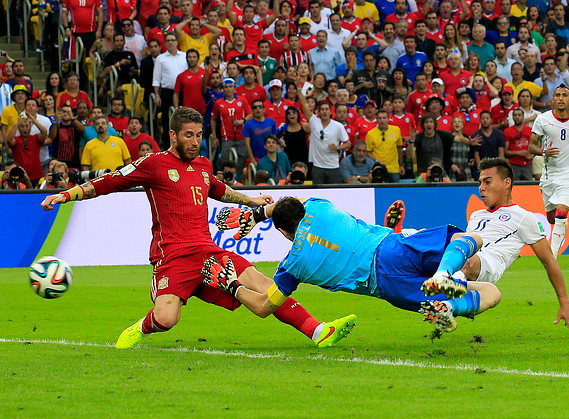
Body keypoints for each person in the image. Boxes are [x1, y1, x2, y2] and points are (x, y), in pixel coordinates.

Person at [42, 107, 356, 349]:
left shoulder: (204, 165)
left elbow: (219, 189)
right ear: (173, 135)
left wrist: (250, 200)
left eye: (198, 135)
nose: (195, 142)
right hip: (174, 258)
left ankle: (318, 331)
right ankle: (141, 327)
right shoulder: (153, 164)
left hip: (208, 252)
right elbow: (109, 182)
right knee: (166, 319)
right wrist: (66, 195)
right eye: (188, 135)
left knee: (265, 286)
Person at [214, 196, 497, 334]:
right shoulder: (317, 206)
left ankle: (448, 306)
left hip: (388, 287)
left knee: (485, 294)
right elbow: (292, 202)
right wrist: (257, 213)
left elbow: (265, 307)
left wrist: (232, 285)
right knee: (472, 240)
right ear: (302, 211)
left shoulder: (291, 267)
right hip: (393, 249)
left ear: (283, 233)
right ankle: (443, 273)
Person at [459, 158, 569, 331]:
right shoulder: (476, 215)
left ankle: (446, 290)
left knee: (468, 260)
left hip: (485, 268)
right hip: (464, 263)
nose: (481, 187)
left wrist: (565, 304)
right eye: (480, 182)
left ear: (506, 183)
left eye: (487, 182)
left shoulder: (524, 217)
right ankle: (444, 298)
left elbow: (549, 261)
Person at [528, 84, 569, 258]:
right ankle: (553, 240)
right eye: (557, 95)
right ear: (553, 99)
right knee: (552, 218)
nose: (560, 98)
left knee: (561, 212)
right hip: (549, 177)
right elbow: (531, 146)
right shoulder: (542, 120)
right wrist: (544, 152)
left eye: (564, 95)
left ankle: (553, 256)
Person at [298, 87, 350, 184]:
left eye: (327, 109)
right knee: (318, 194)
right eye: (322, 109)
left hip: (333, 166)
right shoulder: (314, 121)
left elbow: (348, 143)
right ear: (318, 111)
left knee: (334, 194)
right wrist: (298, 88)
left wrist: (338, 147)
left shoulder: (338, 126)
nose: (324, 111)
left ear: (331, 112)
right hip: (318, 167)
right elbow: (304, 104)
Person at [152, 32, 187, 148]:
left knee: (184, 121)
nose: (170, 42)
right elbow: (156, 79)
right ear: (165, 43)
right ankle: (169, 147)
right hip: (167, 93)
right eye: (168, 40)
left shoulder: (184, 56)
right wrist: (157, 95)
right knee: (168, 122)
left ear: (177, 42)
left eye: (173, 40)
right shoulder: (160, 59)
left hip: (183, 93)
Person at [6, 113, 48, 185]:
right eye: (22, 126)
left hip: (37, 175)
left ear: (30, 127)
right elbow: (9, 140)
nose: (25, 128)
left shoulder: (35, 138)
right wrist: (17, 123)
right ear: (19, 129)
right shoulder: (16, 140)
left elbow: (44, 132)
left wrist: (34, 121)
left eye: (27, 126)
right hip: (20, 176)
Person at [365, 110, 403, 182]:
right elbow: (368, 152)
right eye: (379, 118)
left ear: (388, 119)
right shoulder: (370, 134)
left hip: (393, 168)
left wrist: (401, 165)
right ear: (377, 120)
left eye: (384, 118)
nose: (382, 120)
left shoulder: (396, 130)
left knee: (395, 189)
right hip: (379, 168)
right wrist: (377, 161)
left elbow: (399, 148)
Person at [242, 98, 278, 165]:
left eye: (260, 107)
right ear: (252, 111)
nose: (257, 109)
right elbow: (247, 144)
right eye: (255, 107)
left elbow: (275, 140)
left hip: (270, 157)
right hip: (256, 158)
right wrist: (252, 160)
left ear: (264, 109)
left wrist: (275, 157)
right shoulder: (247, 124)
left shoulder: (271, 122)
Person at [503, 108, 534, 180]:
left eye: (519, 115)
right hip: (514, 165)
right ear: (512, 117)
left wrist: (532, 155)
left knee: (528, 187)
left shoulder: (530, 130)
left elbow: (536, 146)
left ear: (523, 117)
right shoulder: (507, 131)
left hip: (528, 164)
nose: (517, 117)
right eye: (515, 115)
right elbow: (505, 152)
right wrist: (519, 153)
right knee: (514, 187)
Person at [173, 49, 206, 114]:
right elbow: (176, 94)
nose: (192, 59)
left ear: (198, 59)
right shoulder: (181, 76)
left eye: (194, 57)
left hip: (204, 110)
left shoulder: (205, 73)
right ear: (186, 59)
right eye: (189, 57)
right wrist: (176, 108)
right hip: (188, 112)